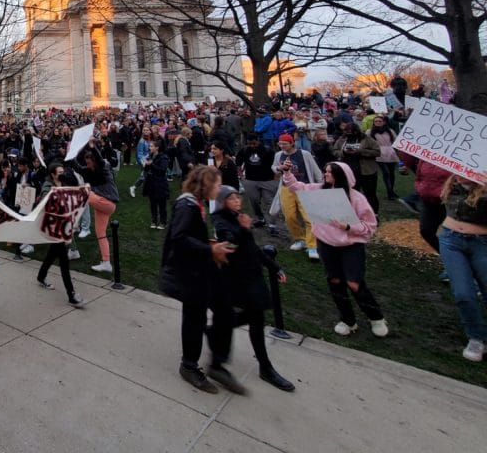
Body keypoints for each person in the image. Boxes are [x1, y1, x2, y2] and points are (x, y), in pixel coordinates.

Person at [159, 166, 241, 394]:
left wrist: (209, 244)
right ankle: (189, 365)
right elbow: (179, 238)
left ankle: (217, 362)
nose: (220, 188)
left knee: (223, 310)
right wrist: (209, 250)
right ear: (204, 185)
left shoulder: (196, 203)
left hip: (200, 269)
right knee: (194, 317)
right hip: (190, 272)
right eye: (216, 184)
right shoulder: (187, 206)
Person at [282, 162, 388, 338]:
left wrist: (348, 227)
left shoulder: (356, 198)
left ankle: (376, 318)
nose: (326, 175)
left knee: (354, 283)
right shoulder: (318, 189)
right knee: (335, 281)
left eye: (330, 172)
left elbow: (370, 225)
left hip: (351, 246)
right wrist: (287, 173)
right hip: (326, 243)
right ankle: (348, 320)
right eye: (325, 171)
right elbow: (296, 187)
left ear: (342, 175)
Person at [210, 186, 294, 391]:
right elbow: (229, 244)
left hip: (251, 276)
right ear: (222, 202)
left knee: (255, 318)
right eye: (231, 198)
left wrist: (274, 267)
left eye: (238, 197)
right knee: (251, 317)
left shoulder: (239, 217)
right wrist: (244, 228)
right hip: (237, 279)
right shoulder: (221, 220)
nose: (237, 201)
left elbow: (252, 248)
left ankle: (264, 367)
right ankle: (259, 366)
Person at [436, 176, 487, 361]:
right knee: (463, 294)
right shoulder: (452, 183)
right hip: (451, 240)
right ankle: (476, 337)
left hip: (482, 243)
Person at [35, 162, 85, 308]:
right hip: (54, 228)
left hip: (63, 225)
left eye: (63, 171)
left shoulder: (64, 182)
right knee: (64, 261)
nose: (63, 174)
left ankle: (41, 276)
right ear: (52, 174)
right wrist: (55, 195)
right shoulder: (47, 185)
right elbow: (46, 198)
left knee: (52, 253)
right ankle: (71, 295)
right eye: (60, 172)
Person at [272, 134, 321, 261]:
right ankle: (300, 239)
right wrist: (279, 168)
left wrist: (321, 183)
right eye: (280, 143)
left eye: (285, 144)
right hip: (286, 189)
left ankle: (312, 246)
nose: (282, 146)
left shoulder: (304, 154)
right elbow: (274, 167)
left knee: (309, 218)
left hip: (304, 188)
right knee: (289, 217)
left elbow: (315, 169)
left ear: (292, 143)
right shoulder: (278, 155)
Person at [73, 146, 119, 274]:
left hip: (108, 202)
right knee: (100, 233)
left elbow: (100, 160)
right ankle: (106, 263)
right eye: (86, 163)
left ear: (95, 161)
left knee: (84, 191)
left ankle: (74, 222)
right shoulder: (89, 171)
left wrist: (93, 148)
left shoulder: (104, 169)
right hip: (101, 205)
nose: (88, 165)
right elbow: (77, 167)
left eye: (89, 162)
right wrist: (70, 154)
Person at [240, 134, 276, 229]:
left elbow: (275, 164)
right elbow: (238, 163)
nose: (252, 146)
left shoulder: (268, 150)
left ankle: (272, 224)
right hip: (251, 179)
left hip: (267, 179)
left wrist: (275, 175)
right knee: (254, 201)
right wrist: (241, 175)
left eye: (254, 143)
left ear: (258, 140)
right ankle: (260, 219)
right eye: (250, 144)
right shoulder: (244, 150)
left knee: (270, 201)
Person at [142, 139, 169, 230]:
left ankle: (163, 222)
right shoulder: (150, 156)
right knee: (152, 203)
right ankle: (153, 221)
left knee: (162, 204)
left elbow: (162, 170)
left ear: (157, 148)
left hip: (160, 183)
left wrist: (152, 164)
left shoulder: (163, 157)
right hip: (151, 182)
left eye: (151, 146)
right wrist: (146, 165)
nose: (150, 148)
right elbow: (146, 170)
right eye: (150, 146)